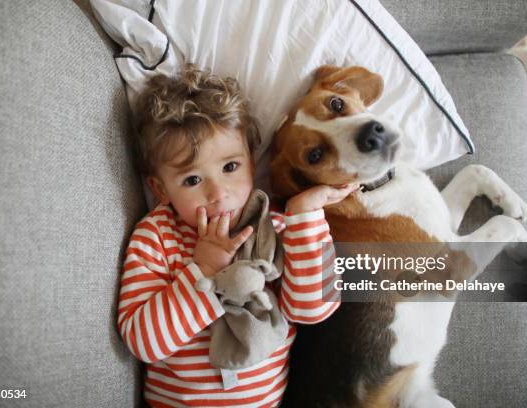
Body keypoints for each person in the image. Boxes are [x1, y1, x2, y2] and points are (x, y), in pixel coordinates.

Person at [118, 64, 358, 407]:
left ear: (250, 159)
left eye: (230, 167)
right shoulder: (156, 236)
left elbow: (312, 310)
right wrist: (202, 271)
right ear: (160, 189)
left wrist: (304, 212)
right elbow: (142, 342)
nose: (219, 194)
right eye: (192, 180)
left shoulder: (273, 225)